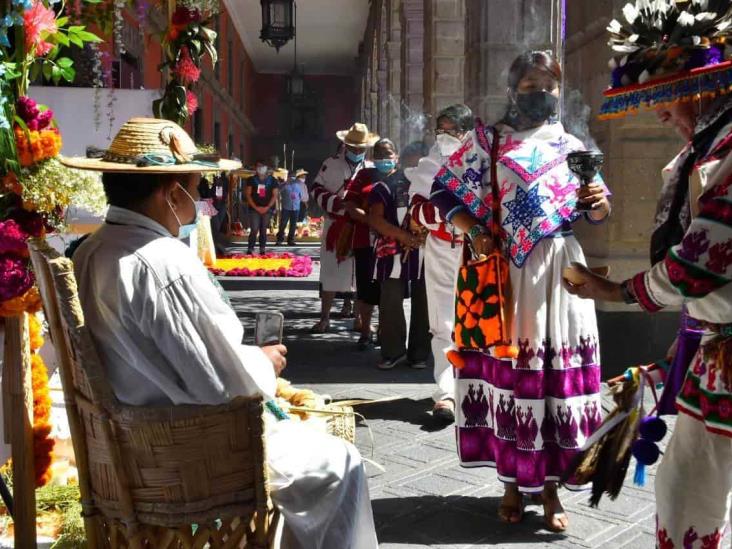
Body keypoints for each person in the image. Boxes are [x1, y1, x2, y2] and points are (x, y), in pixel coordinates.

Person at [62, 117, 378, 549]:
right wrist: (262, 363)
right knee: (339, 463)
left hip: (128, 442)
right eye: (197, 189)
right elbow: (224, 382)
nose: (200, 201)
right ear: (171, 194)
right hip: (184, 448)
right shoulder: (162, 262)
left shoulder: (92, 249)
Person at [566, 6, 732, 546]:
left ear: (703, 86)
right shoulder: (707, 151)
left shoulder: (726, 154)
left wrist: (614, 291)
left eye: (663, 96)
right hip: (716, 354)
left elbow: (697, 265)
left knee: (691, 495)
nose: (659, 114)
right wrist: (665, 368)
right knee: (687, 494)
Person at [431, 51, 611, 531]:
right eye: (531, 86)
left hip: (561, 269)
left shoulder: (572, 144)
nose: (542, 94)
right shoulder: (488, 142)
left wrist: (596, 203)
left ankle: (552, 490)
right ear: (513, 91)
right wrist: (473, 229)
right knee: (512, 377)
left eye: (550, 86)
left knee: (555, 378)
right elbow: (444, 191)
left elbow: (596, 214)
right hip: (508, 273)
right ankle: (512, 483)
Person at [407, 104, 474, 423]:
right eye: (441, 129)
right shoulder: (428, 165)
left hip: (478, 252)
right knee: (444, 322)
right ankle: (446, 392)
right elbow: (417, 211)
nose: (446, 136)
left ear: (468, 132)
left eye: (453, 130)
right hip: (442, 251)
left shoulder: (483, 163)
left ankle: (476, 390)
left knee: (479, 321)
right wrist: (452, 216)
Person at [368, 138, 430, 370]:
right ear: (404, 161)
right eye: (414, 162)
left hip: (426, 255)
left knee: (425, 303)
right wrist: (403, 236)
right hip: (392, 253)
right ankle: (392, 351)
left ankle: (419, 353)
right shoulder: (386, 186)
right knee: (390, 302)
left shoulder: (435, 185)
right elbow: (375, 219)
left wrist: (423, 235)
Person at [311, 123, 377, 333]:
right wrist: (338, 204)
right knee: (330, 272)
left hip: (361, 228)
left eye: (361, 148)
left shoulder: (371, 169)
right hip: (335, 226)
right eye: (354, 147)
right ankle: (325, 318)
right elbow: (316, 189)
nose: (357, 151)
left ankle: (359, 319)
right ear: (345, 144)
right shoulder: (330, 164)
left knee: (361, 275)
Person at [344, 165, 381, 350]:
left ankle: (384, 331)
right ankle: (365, 331)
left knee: (388, 290)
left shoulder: (400, 176)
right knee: (364, 287)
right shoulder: (364, 175)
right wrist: (371, 220)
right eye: (380, 154)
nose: (385, 158)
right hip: (364, 242)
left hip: (391, 244)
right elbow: (349, 205)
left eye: (389, 154)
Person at [246, 160, 278, 255]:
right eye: (258, 166)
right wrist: (256, 207)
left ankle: (262, 248)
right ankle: (250, 248)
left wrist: (267, 207)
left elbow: (275, 195)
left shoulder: (273, 180)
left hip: (267, 209)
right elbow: (248, 194)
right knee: (254, 228)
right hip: (254, 209)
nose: (260, 168)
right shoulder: (251, 179)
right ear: (255, 168)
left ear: (266, 168)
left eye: (262, 166)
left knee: (263, 228)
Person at [276, 173, 308, 246]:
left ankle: (291, 240)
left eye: (294, 177)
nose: (292, 179)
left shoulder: (299, 185)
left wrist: (303, 202)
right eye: (291, 177)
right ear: (288, 177)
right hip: (286, 207)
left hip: (296, 208)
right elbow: (278, 193)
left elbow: (301, 196)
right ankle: (279, 239)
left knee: (293, 225)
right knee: (283, 224)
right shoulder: (284, 185)